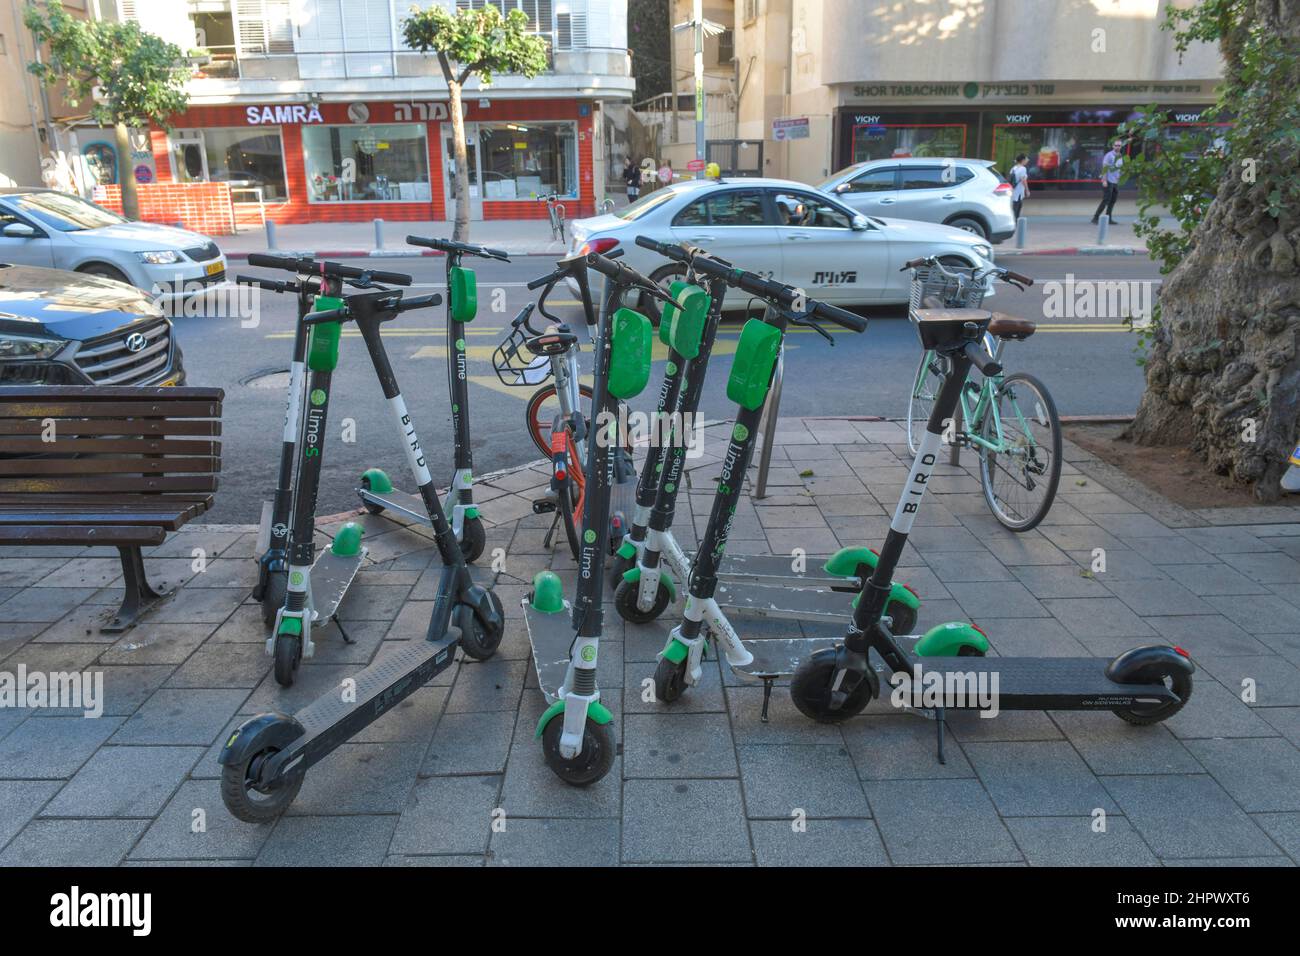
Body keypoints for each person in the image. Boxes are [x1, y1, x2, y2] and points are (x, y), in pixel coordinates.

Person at [1092, 138, 1125, 225]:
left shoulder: (1120, 156)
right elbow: (1104, 168)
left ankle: (1108, 218)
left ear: (1121, 146)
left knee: (1113, 200)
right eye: (1116, 145)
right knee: (1106, 200)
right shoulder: (1109, 155)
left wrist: (1120, 176)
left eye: (1119, 145)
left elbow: (1120, 168)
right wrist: (1104, 180)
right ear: (1113, 146)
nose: (1117, 147)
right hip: (1108, 181)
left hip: (1115, 182)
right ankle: (1095, 217)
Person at [1009, 153, 1030, 221]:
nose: (1027, 160)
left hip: (1013, 190)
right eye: (1026, 159)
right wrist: (1027, 190)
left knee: (1014, 207)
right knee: (1017, 208)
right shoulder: (1023, 169)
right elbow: (1023, 180)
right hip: (1018, 191)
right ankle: (1014, 222)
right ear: (1023, 160)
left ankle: (1013, 221)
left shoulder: (1013, 168)